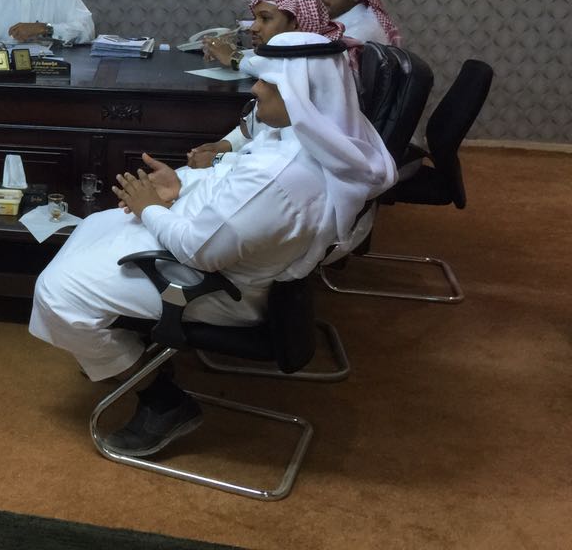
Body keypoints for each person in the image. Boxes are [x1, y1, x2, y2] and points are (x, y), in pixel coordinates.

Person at [30, 33, 395, 456]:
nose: (255, 88)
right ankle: (117, 354)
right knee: (95, 224)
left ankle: (163, 401)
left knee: (56, 294)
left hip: (215, 285)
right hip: (212, 248)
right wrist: (179, 186)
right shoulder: (308, 136)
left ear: (302, 93)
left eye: (268, 82)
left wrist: (151, 209)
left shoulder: (282, 177)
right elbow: (229, 185)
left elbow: (198, 252)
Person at [192, 0, 343, 168]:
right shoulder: (284, 63)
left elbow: (283, 157)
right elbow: (260, 126)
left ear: (296, 23)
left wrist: (218, 159)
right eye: (255, 18)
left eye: (265, 19)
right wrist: (225, 145)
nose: (253, 28)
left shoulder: (317, 68)